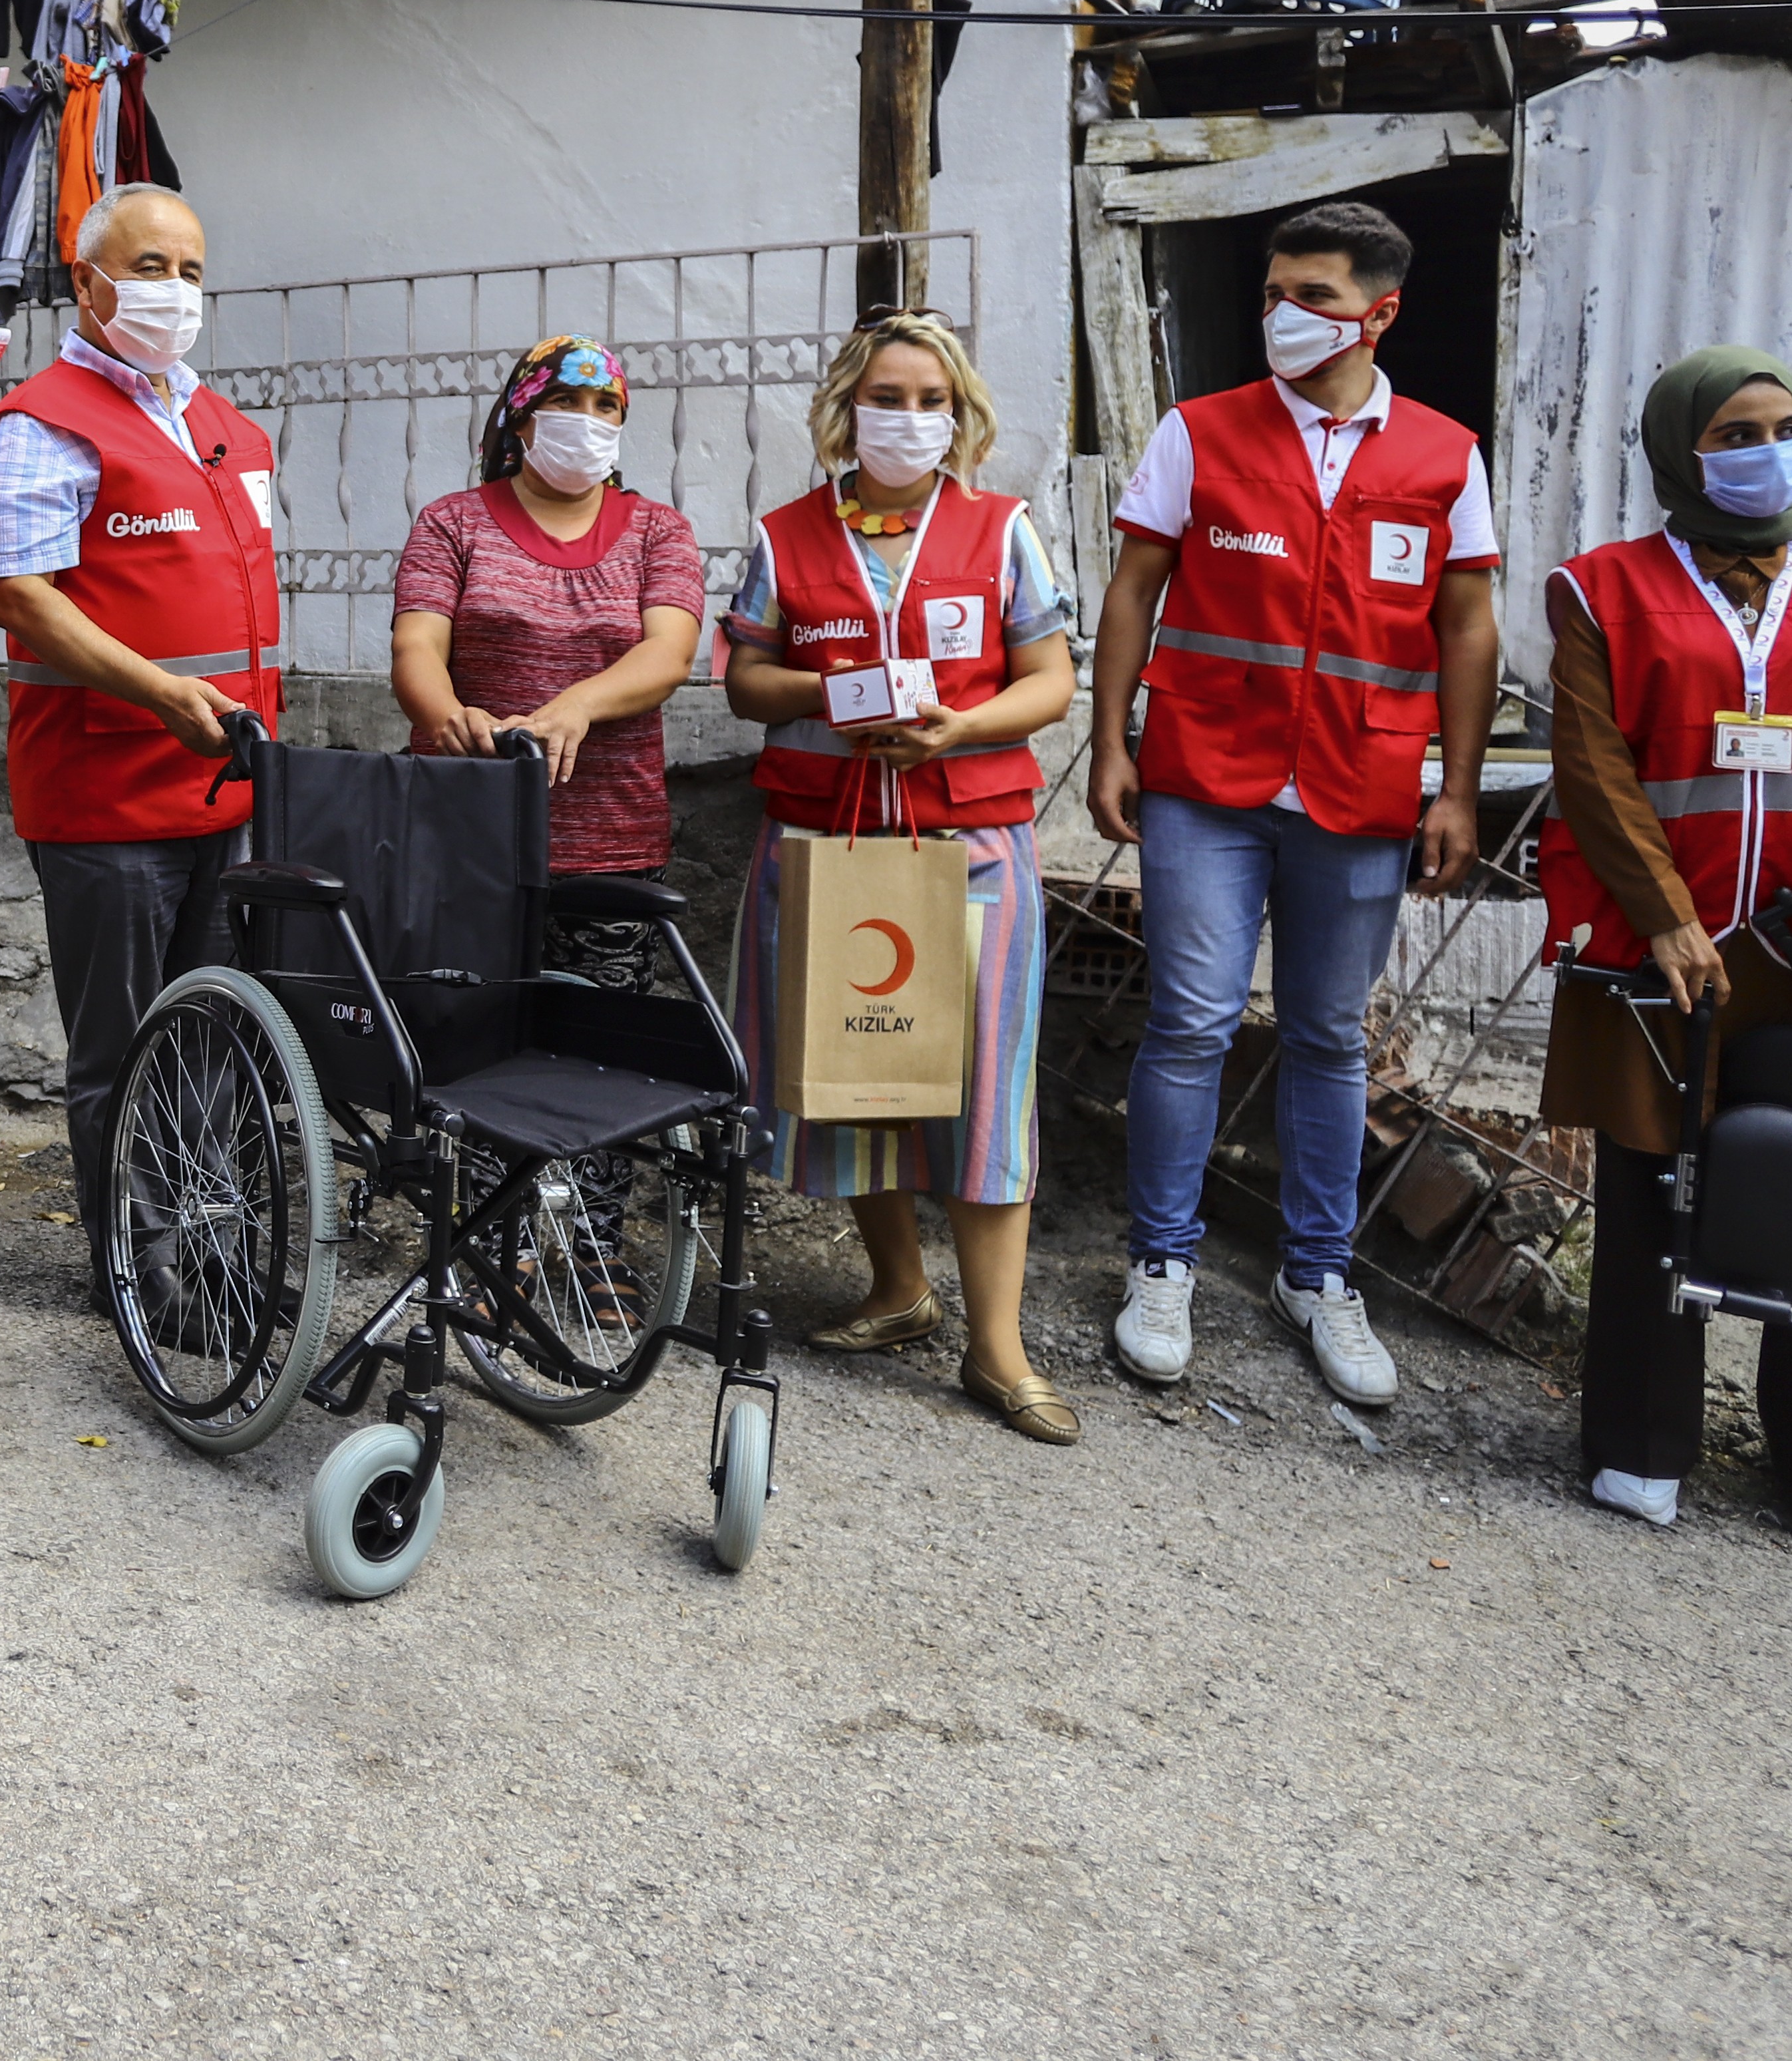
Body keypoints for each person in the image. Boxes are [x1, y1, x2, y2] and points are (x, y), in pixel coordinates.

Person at [1538, 347, 1792, 1563]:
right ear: (1679, 451)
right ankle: (1640, 1440)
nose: (1767, 447)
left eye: (1786, 424)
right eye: (1733, 431)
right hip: (1670, 948)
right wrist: (1663, 912)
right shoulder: (1602, 590)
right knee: (1650, 1187)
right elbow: (1593, 766)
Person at [1087, 201, 1501, 1409]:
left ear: (1379, 311)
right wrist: (1112, 741)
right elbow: (1133, 593)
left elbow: (1468, 626)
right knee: (1192, 1022)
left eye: (1312, 294)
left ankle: (1319, 1274)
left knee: (1327, 1036)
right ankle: (1161, 1260)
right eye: (1273, 290)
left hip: (1362, 786)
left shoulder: (1443, 455)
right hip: (1205, 779)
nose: (1284, 315)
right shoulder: (1200, 433)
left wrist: (1458, 791)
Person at [719, 315, 1081, 1442]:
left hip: (968, 846)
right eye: (888, 394)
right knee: (858, 1068)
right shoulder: (788, 537)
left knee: (981, 1090)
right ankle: (897, 1289)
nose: (908, 417)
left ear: (959, 414)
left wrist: (960, 726)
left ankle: (997, 1348)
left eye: (931, 399)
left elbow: (1053, 682)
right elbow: (744, 680)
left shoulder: (1001, 530)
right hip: (827, 846)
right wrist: (827, 689)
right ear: (847, 404)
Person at [0, 184, 283, 1293]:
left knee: (222, 1034)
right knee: (122, 1043)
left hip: (228, 792)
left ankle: (218, 1246)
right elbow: (21, 594)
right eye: (151, 267)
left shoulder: (224, 428)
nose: (175, 292)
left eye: (192, 271)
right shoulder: (44, 423)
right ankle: (138, 1262)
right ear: (90, 277)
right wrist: (157, 692)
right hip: (107, 790)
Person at [389, 334, 705, 983]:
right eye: (564, 398)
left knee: (600, 1051)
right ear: (523, 413)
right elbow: (417, 645)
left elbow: (669, 651)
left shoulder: (659, 530)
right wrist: (448, 718)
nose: (586, 418)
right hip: (463, 835)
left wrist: (575, 708)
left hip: (611, 844)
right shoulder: (452, 524)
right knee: (455, 1036)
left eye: (604, 403)